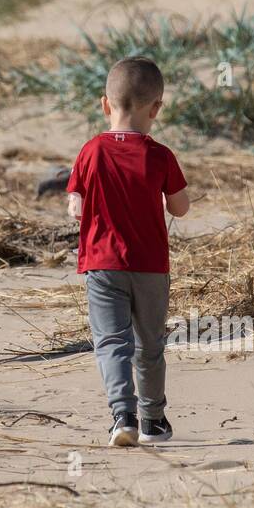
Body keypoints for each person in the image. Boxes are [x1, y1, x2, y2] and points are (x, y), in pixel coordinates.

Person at [67, 56, 190, 446]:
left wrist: (82, 207)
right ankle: (153, 420)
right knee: (150, 343)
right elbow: (181, 207)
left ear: (105, 104)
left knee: (111, 342)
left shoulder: (91, 152)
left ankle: (123, 415)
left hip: (103, 264)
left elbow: (75, 205)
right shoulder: (161, 155)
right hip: (151, 266)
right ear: (156, 109)